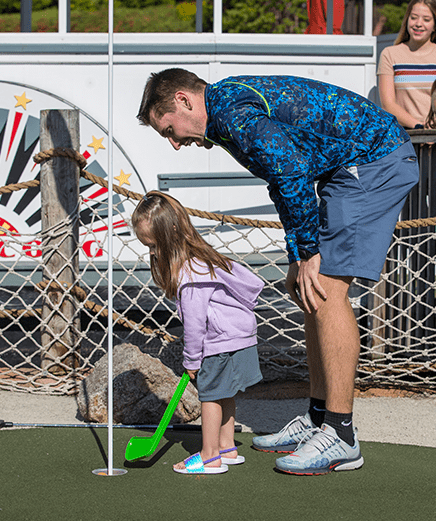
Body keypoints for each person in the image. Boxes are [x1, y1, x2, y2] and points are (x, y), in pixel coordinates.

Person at [136, 69, 420, 475]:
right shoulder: (224, 116)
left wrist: (307, 253)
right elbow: (281, 179)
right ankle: (320, 417)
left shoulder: (232, 114)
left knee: (325, 289)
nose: (176, 144)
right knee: (311, 291)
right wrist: (296, 256)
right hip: (348, 168)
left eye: (170, 130)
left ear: (183, 100)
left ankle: (341, 435)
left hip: (374, 161)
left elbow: (290, 169)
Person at [131, 191, 264, 475]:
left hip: (220, 340)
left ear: (170, 236)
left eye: (153, 246)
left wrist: (192, 360)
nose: (152, 253)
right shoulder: (203, 259)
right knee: (225, 393)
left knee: (209, 397)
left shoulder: (191, 275)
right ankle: (227, 447)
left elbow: (194, 324)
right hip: (239, 336)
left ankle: (209, 455)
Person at [377, 0, 436, 129]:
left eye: (426, 19)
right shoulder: (390, 54)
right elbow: (388, 104)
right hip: (405, 137)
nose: (418, 24)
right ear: (407, 20)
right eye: (413, 18)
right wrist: (420, 127)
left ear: (435, 25)